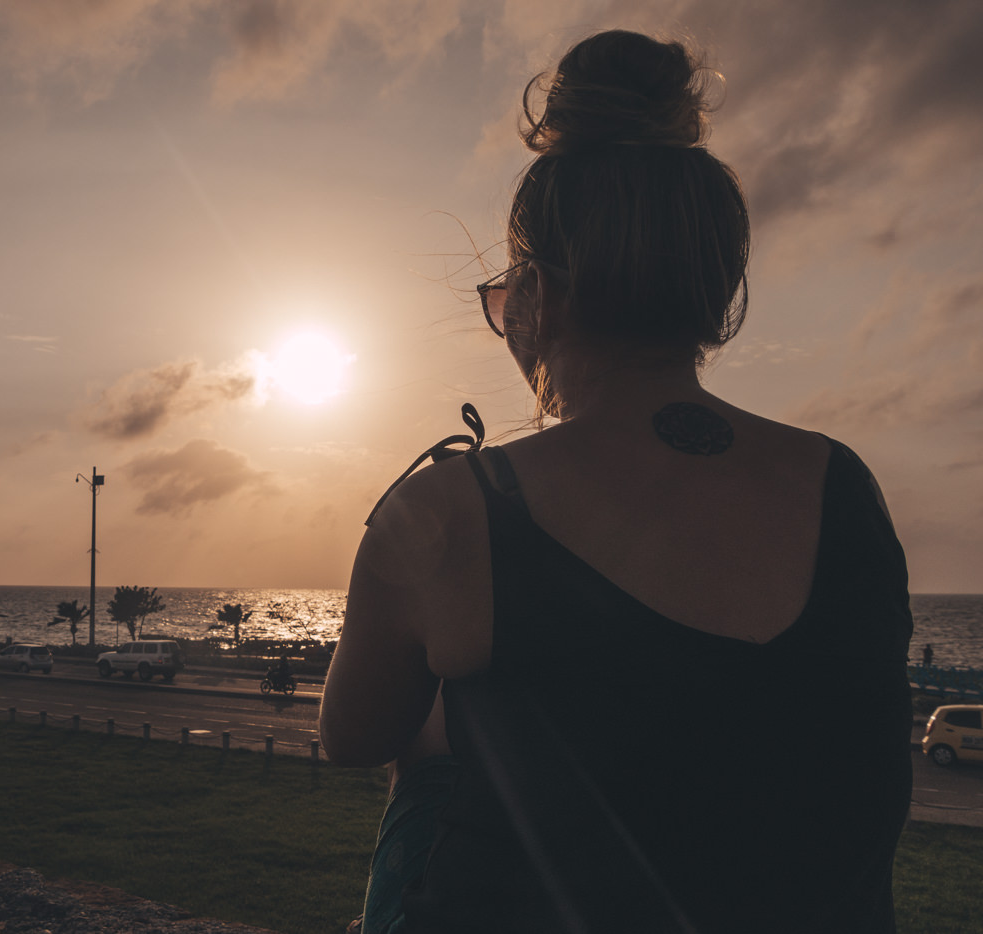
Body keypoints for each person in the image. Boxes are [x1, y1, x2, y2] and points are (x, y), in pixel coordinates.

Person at [320, 29, 913, 934]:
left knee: (428, 763)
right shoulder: (844, 485)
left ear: (539, 300)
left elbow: (352, 739)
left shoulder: (450, 512)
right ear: (714, 292)